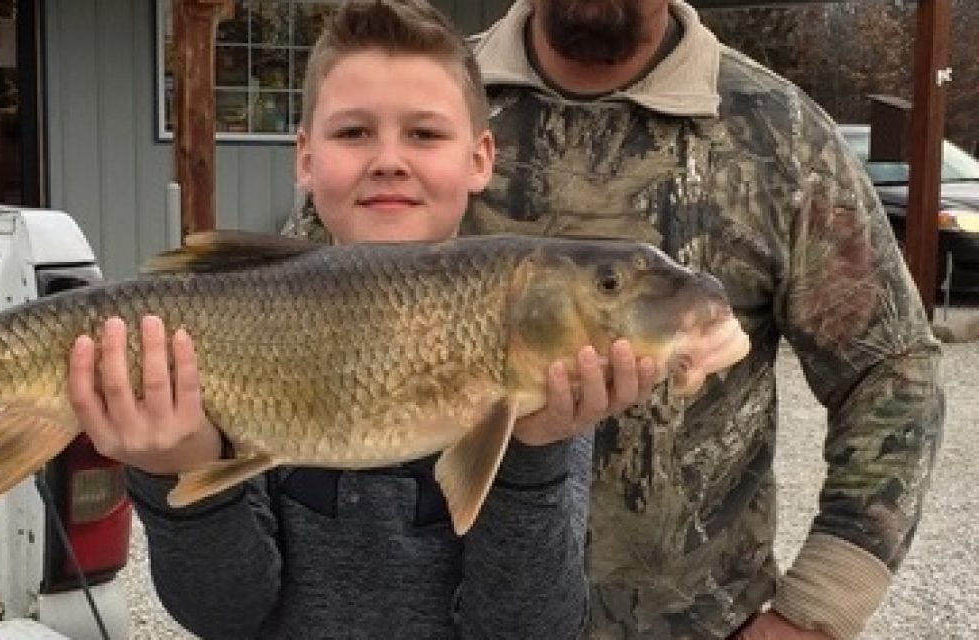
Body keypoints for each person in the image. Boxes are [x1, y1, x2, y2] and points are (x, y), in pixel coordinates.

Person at [283, 1, 946, 639]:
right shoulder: (418, 96)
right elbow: (299, 313)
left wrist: (819, 609)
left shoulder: (779, 138)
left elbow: (890, 369)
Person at [67, 1, 659, 637]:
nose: (388, 160)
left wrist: (533, 456)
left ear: (480, 157)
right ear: (305, 157)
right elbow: (223, 615)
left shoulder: (539, 351)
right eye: (353, 133)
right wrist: (176, 468)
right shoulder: (236, 316)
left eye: (424, 134)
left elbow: (525, 629)